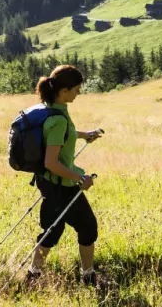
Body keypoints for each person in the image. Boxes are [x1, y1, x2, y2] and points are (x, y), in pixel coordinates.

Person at [24, 65, 106, 287]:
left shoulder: (52, 108)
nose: (79, 92)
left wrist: (83, 135)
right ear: (64, 91)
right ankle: (84, 277)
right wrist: (80, 179)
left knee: (56, 230)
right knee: (75, 229)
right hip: (61, 185)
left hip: (52, 183)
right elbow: (51, 162)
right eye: (77, 89)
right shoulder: (58, 119)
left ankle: (34, 277)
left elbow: (59, 136)